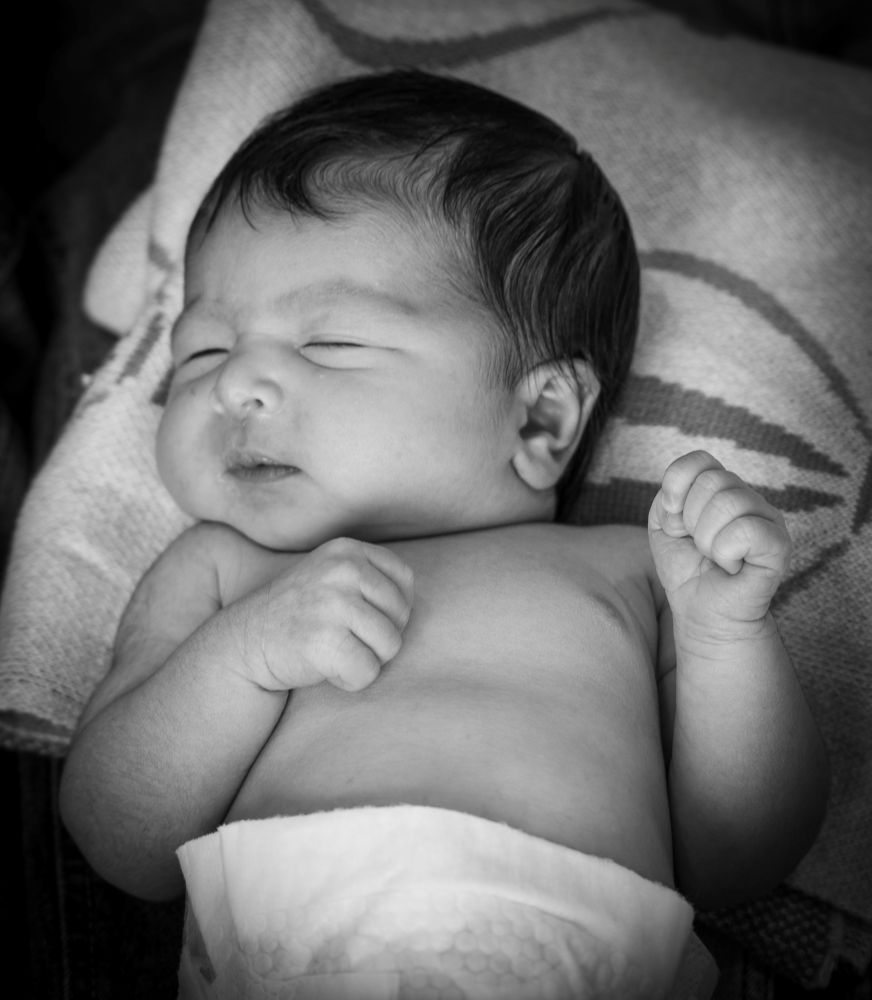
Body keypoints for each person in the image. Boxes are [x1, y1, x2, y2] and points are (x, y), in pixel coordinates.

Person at [59, 69, 829, 999]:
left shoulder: (632, 571)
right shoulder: (222, 572)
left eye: (329, 342)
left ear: (541, 420)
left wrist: (727, 639)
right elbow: (117, 839)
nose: (234, 386)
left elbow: (738, 856)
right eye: (203, 350)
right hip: (293, 954)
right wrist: (241, 658)